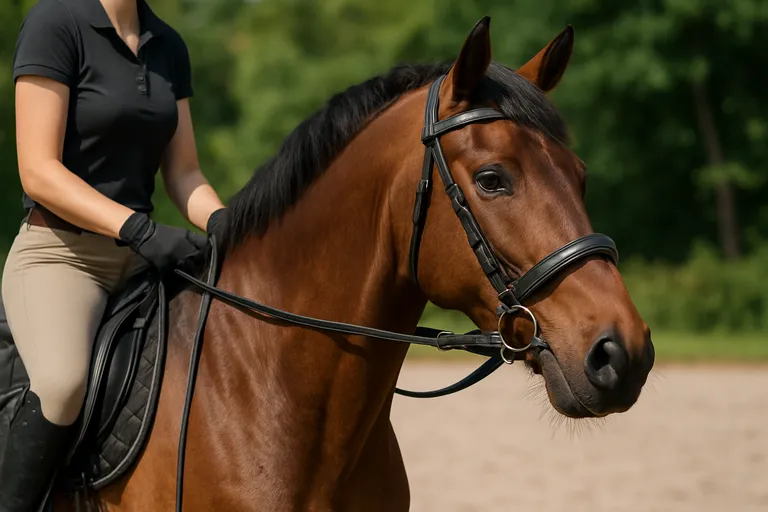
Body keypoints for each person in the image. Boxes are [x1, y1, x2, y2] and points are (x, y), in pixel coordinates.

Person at [0, 0, 228, 509]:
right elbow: (38, 169)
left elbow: (185, 173)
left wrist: (226, 223)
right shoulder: (55, 22)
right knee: (61, 384)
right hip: (60, 255)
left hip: (140, 259)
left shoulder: (168, 44)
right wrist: (136, 227)